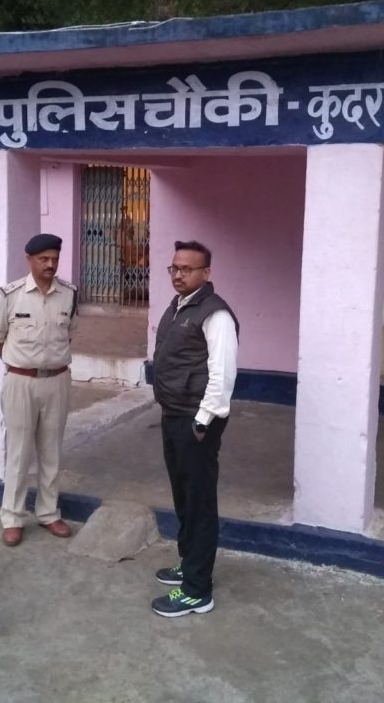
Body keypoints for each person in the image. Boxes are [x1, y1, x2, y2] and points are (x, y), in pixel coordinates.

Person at [150, 240, 239, 618]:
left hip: (196, 420)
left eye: (187, 269)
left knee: (199, 502)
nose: (178, 274)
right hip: (174, 413)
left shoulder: (215, 314)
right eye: (174, 268)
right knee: (184, 496)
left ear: (206, 273)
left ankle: (197, 590)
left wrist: (202, 421)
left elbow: (223, 374)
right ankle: (189, 564)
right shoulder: (180, 306)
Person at [0, 233, 78, 546]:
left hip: (57, 381)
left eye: (54, 258)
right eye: (43, 259)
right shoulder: (10, 294)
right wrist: (21, 364)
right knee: (18, 451)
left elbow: (69, 334)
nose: (50, 264)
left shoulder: (69, 294)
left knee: (51, 450)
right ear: (29, 259)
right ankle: (12, 518)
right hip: (21, 381)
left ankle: (49, 513)